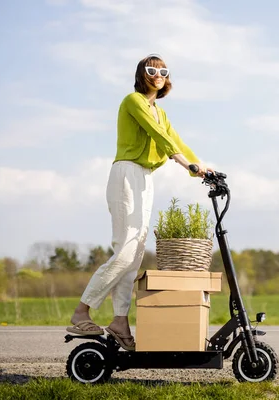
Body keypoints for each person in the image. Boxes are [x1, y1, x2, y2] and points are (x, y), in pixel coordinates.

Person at [67, 54, 212, 351]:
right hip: (126, 174)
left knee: (133, 257)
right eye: (151, 69)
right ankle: (82, 311)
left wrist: (202, 166)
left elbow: (176, 139)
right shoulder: (133, 101)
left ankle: (120, 321)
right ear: (141, 74)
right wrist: (187, 166)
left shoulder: (160, 111)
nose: (157, 74)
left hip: (145, 179)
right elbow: (159, 137)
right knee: (124, 252)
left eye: (163, 71)